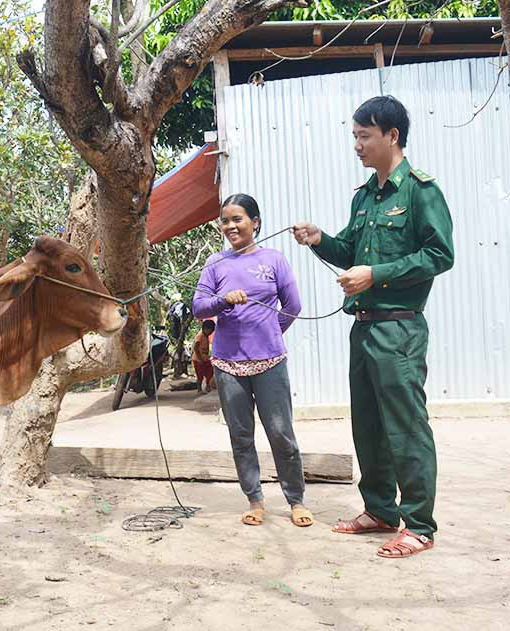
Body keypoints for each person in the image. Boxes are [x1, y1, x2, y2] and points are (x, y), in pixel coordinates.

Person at [293, 95, 454, 557]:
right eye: (355, 137)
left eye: (365, 136)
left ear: (392, 136)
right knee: (368, 426)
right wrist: (320, 240)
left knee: (405, 427)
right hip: (363, 327)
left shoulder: (420, 192)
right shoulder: (364, 197)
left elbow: (440, 255)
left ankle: (420, 524)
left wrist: (375, 275)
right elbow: (350, 253)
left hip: (399, 329)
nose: (358, 145)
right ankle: (381, 509)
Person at [193, 193, 312, 528]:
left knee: (280, 432)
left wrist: (270, 332)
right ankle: (255, 500)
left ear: (255, 222)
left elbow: (293, 306)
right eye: (225, 220)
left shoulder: (274, 259)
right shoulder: (215, 263)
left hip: (270, 361)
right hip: (228, 363)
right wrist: (222, 301)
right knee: (241, 435)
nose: (230, 226)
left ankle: (296, 500)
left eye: (238, 219)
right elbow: (199, 306)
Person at [191, 319, 216, 393]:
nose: (211, 333)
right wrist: (199, 358)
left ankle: (208, 386)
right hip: (198, 359)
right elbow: (196, 347)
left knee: (210, 372)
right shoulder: (200, 336)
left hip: (205, 358)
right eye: (210, 330)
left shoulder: (206, 336)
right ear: (205, 329)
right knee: (200, 375)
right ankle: (199, 389)